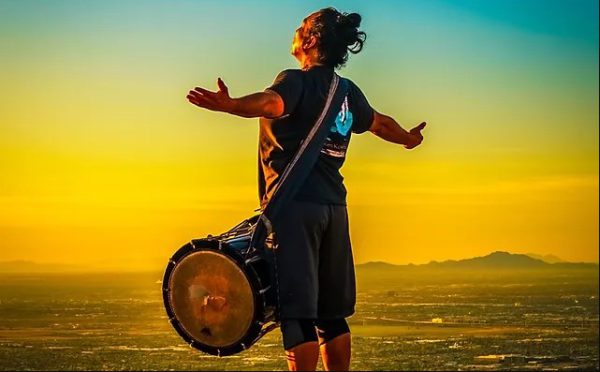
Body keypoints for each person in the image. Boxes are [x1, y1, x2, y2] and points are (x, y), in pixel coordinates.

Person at [186, 7, 427, 371]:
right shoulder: (347, 92)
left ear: (311, 40)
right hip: (334, 209)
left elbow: (271, 103)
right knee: (331, 315)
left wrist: (232, 105)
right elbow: (378, 123)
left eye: (301, 28)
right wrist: (408, 138)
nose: (295, 32)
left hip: (295, 209)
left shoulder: (295, 81)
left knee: (297, 314)